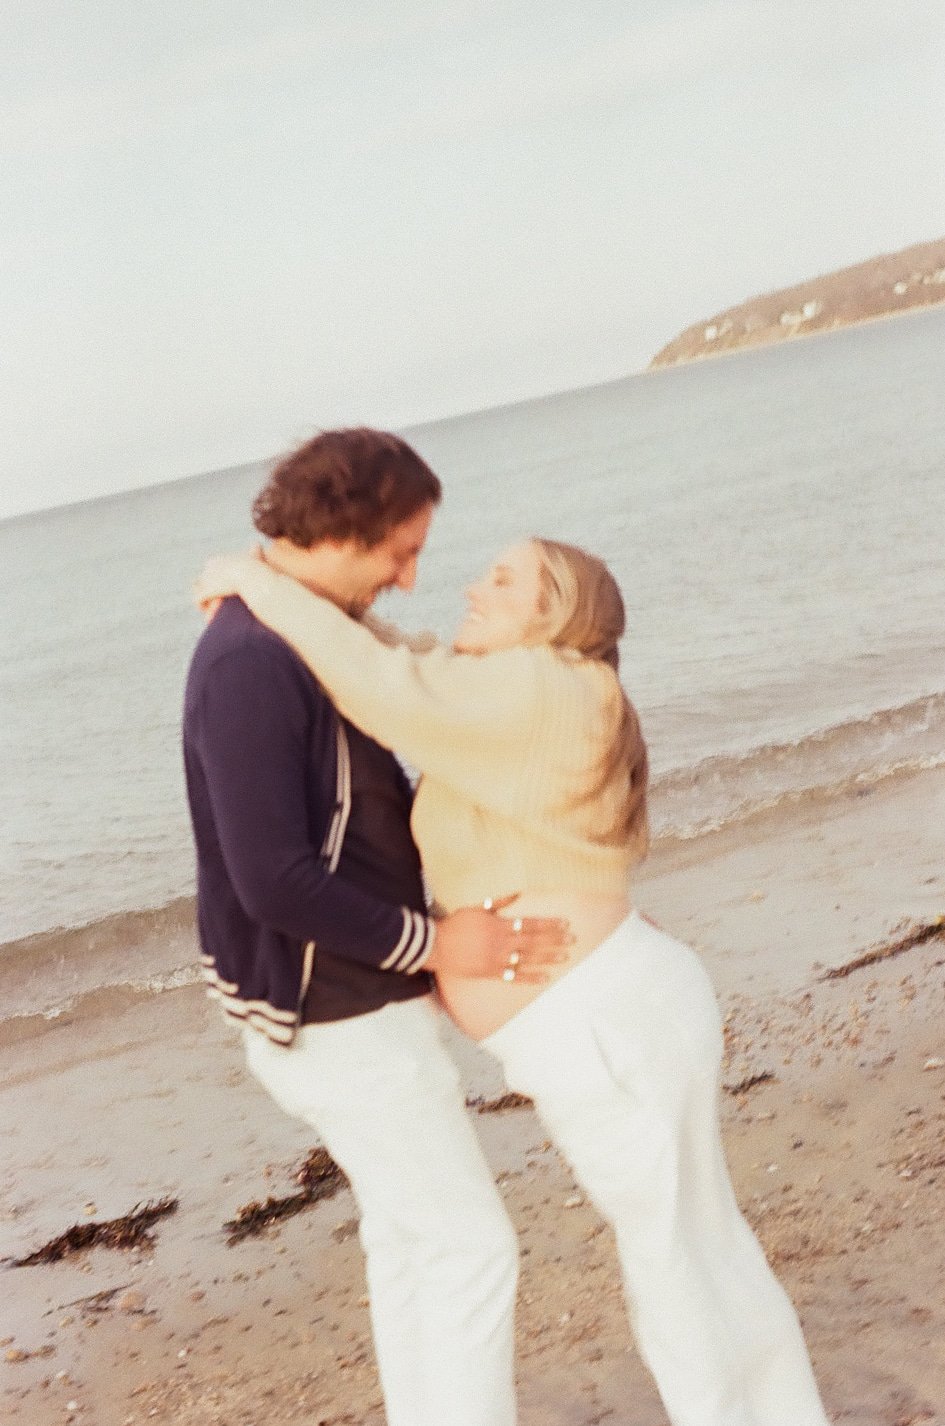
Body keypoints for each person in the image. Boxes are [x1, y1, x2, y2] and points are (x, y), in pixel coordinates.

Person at [195, 532, 833, 1426]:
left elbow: (380, 685)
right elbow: (404, 656)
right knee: (696, 1241)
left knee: (677, 1257)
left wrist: (252, 583)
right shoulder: (534, 690)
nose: (470, 587)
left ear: (556, 613)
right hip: (613, 1013)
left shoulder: (538, 690)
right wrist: (307, 593)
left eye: (503, 580)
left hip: (605, 1024)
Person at [182, 428, 571, 1426]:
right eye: (401, 550)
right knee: (473, 1248)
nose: (408, 579)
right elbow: (271, 879)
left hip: (353, 1003)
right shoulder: (250, 663)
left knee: (409, 1244)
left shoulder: (299, 629)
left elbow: (411, 676)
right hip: (333, 1016)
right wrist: (441, 945)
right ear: (342, 530)